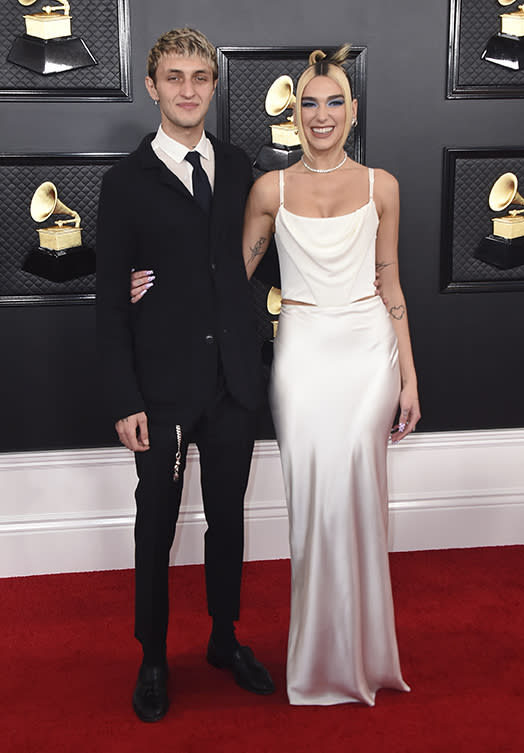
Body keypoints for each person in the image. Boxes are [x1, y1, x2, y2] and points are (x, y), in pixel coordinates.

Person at [96, 27, 274, 724]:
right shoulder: (123, 181)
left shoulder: (239, 166)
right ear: (152, 85)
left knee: (228, 521)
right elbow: (111, 298)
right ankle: (151, 657)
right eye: (175, 77)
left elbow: (246, 262)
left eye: (201, 77)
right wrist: (124, 397)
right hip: (160, 388)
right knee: (156, 527)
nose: (189, 89)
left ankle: (225, 639)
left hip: (233, 382)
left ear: (213, 85)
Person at [241, 45, 420, 705]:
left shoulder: (383, 186)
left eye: (334, 101)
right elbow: (231, 278)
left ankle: (367, 655)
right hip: (305, 350)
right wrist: (151, 284)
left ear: (353, 110)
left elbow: (390, 280)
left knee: (361, 493)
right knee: (314, 500)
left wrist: (409, 374)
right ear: (294, 112)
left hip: (368, 349)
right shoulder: (271, 188)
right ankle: (317, 658)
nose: (321, 114)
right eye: (309, 103)